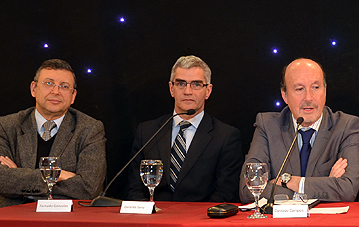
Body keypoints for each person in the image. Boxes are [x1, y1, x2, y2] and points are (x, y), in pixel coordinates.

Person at [239, 58, 359, 203]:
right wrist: (325, 186)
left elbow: (348, 190)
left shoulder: (346, 126)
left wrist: (289, 182)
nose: (309, 98)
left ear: (325, 90)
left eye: (316, 87)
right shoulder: (267, 125)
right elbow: (249, 189)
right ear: (285, 95)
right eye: (299, 89)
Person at [126, 55, 242, 202]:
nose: (188, 91)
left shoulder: (226, 136)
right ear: (171, 88)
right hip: (154, 214)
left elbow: (225, 194)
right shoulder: (147, 132)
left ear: (208, 91)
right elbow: (134, 189)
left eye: (196, 84)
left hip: (200, 216)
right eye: (181, 84)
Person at [0, 59, 106, 207]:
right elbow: (2, 179)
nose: (56, 91)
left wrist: (19, 178)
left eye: (64, 86)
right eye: (48, 83)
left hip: (64, 217)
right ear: (33, 89)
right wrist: (59, 174)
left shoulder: (90, 129)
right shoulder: (6, 126)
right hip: (13, 215)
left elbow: (89, 188)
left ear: (73, 96)